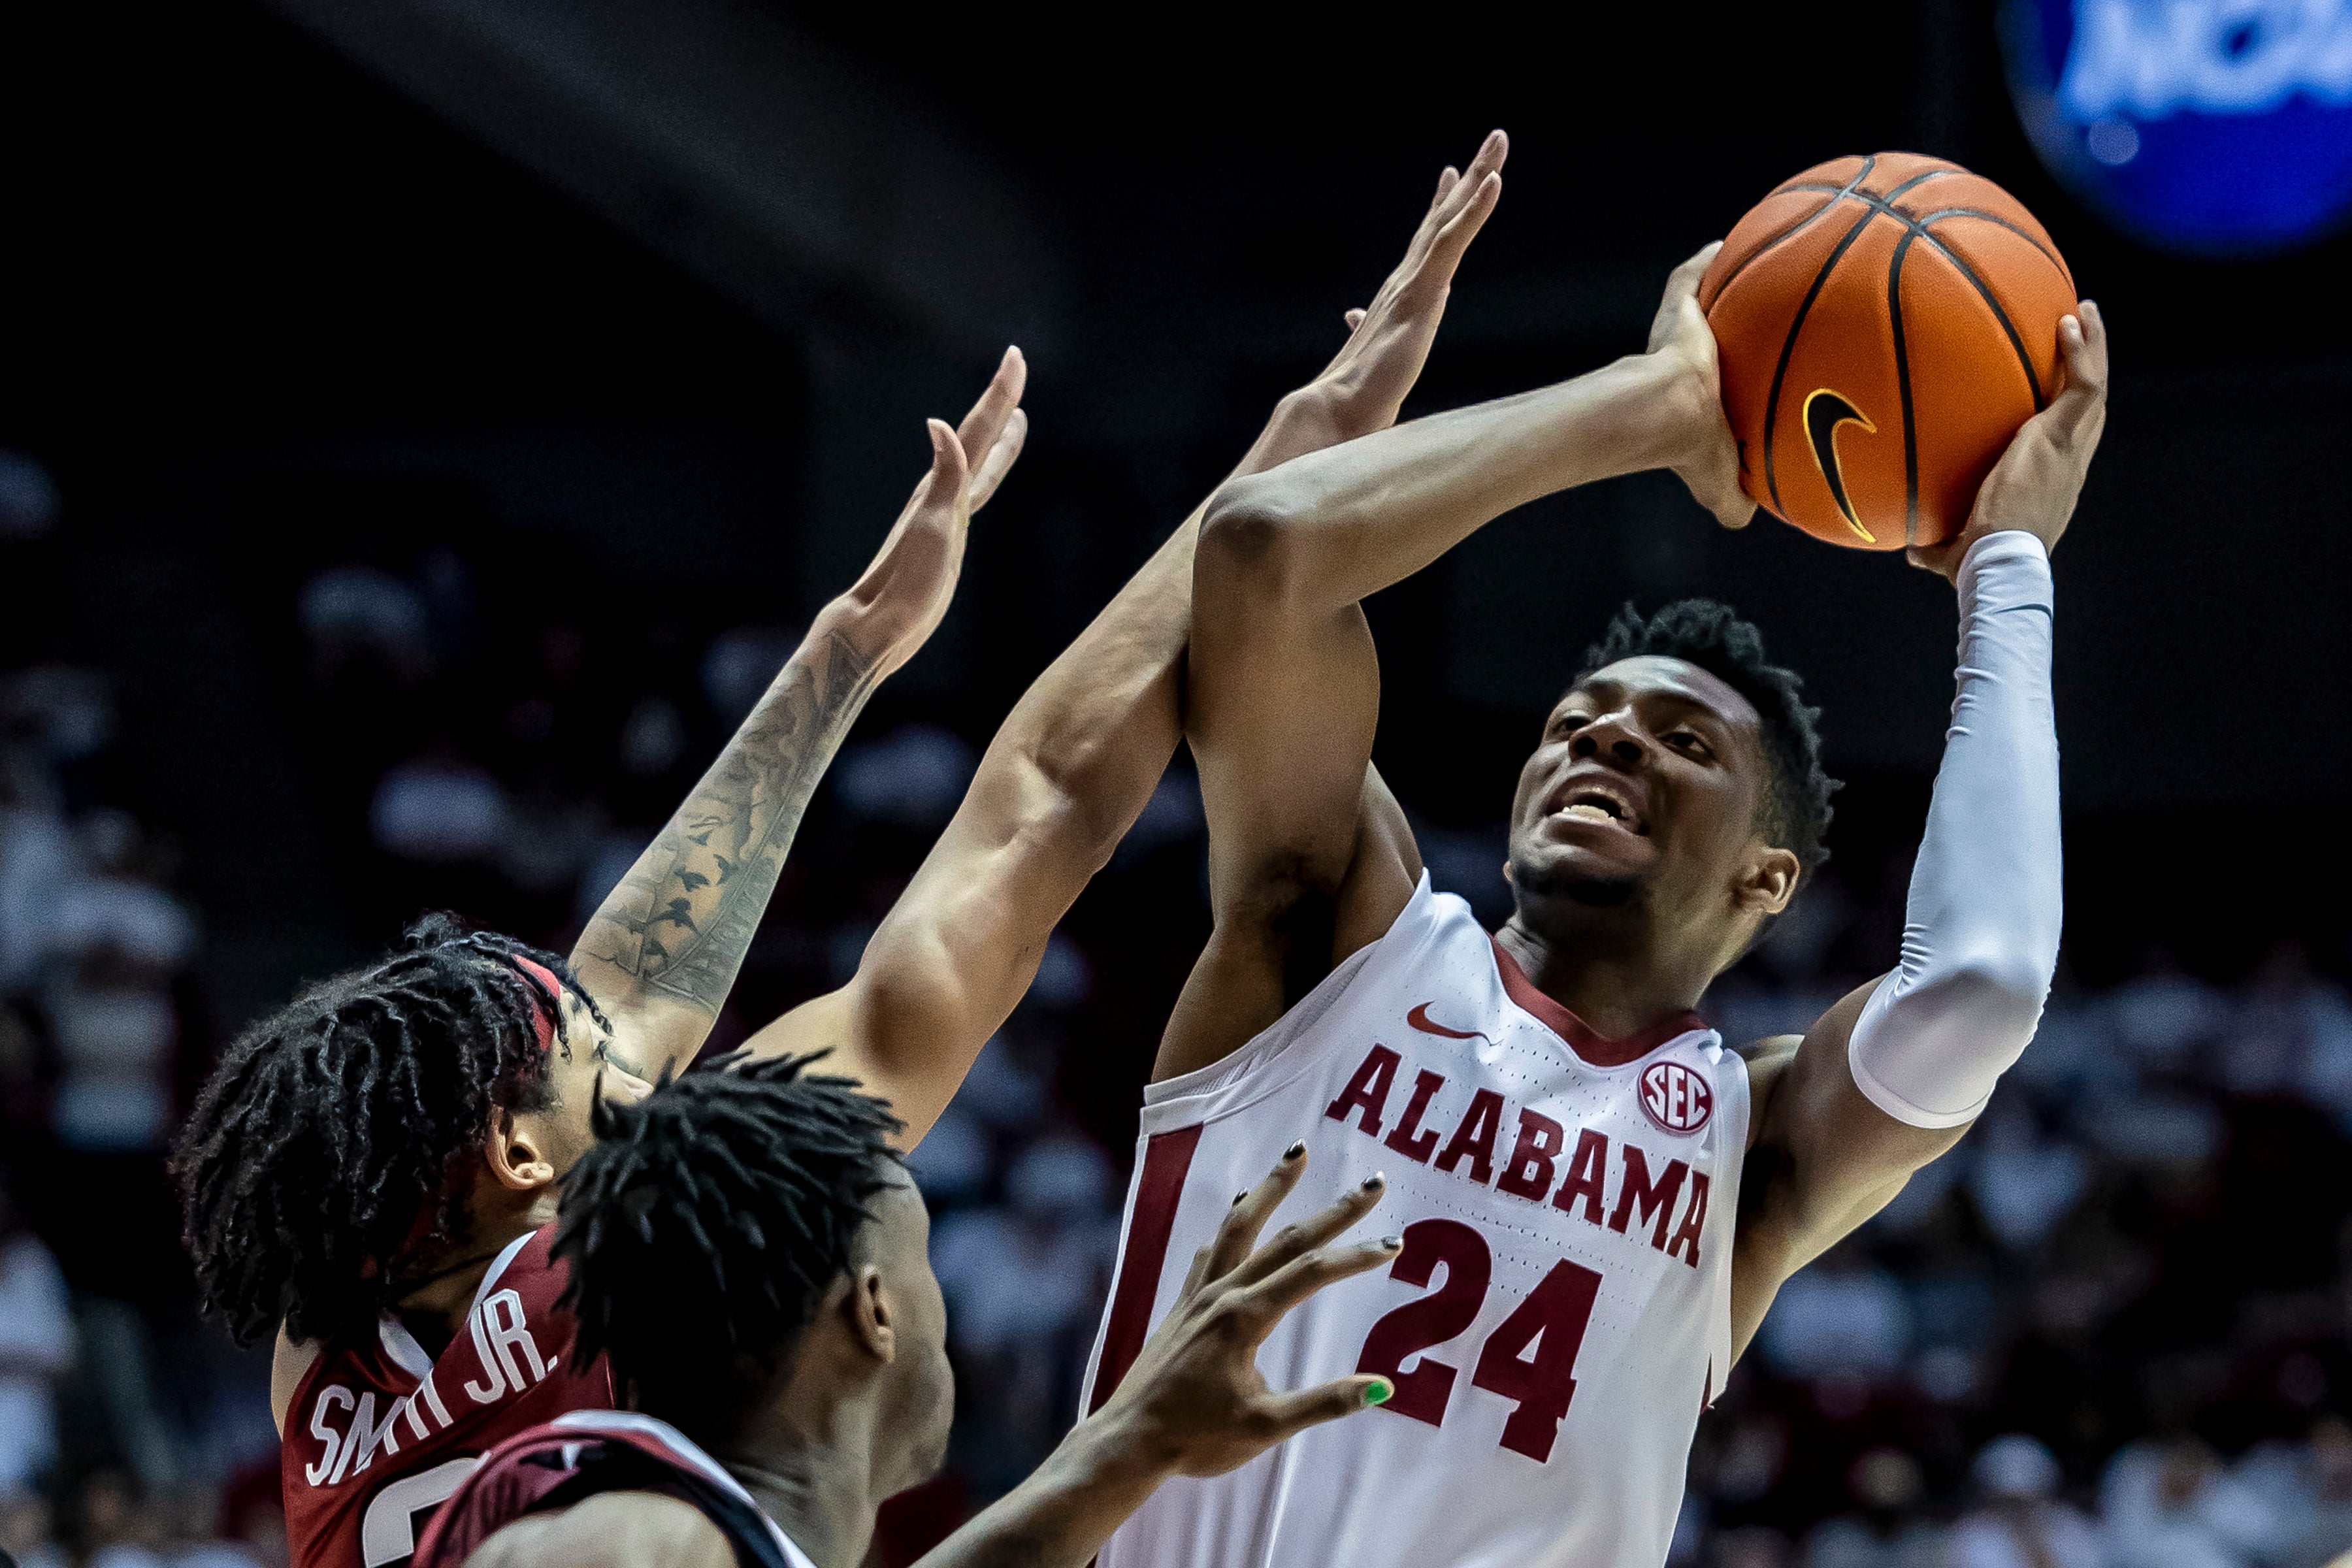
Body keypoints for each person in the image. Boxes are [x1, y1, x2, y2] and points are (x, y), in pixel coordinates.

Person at [172, 142, 1499, 1568]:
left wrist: (851, 647)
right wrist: (1291, 466)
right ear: (515, 1157)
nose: (645, 1045)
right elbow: (1038, 806)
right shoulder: (644, 1271)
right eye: (603, 1056)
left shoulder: (322, 1361)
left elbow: (631, 983)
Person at [1078, 127, 2105, 1568]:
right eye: (1583, 719)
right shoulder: (1341, 946)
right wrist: (1656, 406)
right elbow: (1261, 555)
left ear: (1768, 879)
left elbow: (1985, 984)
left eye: (1686, 745)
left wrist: (2007, 565)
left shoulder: (1748, 1154)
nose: (1611, 740)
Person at [410, 1056, 1398, 1568]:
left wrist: (1135, 1444)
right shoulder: (633, 1540)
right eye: (927, 1266)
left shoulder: (680, 1520)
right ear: (874, 1310)